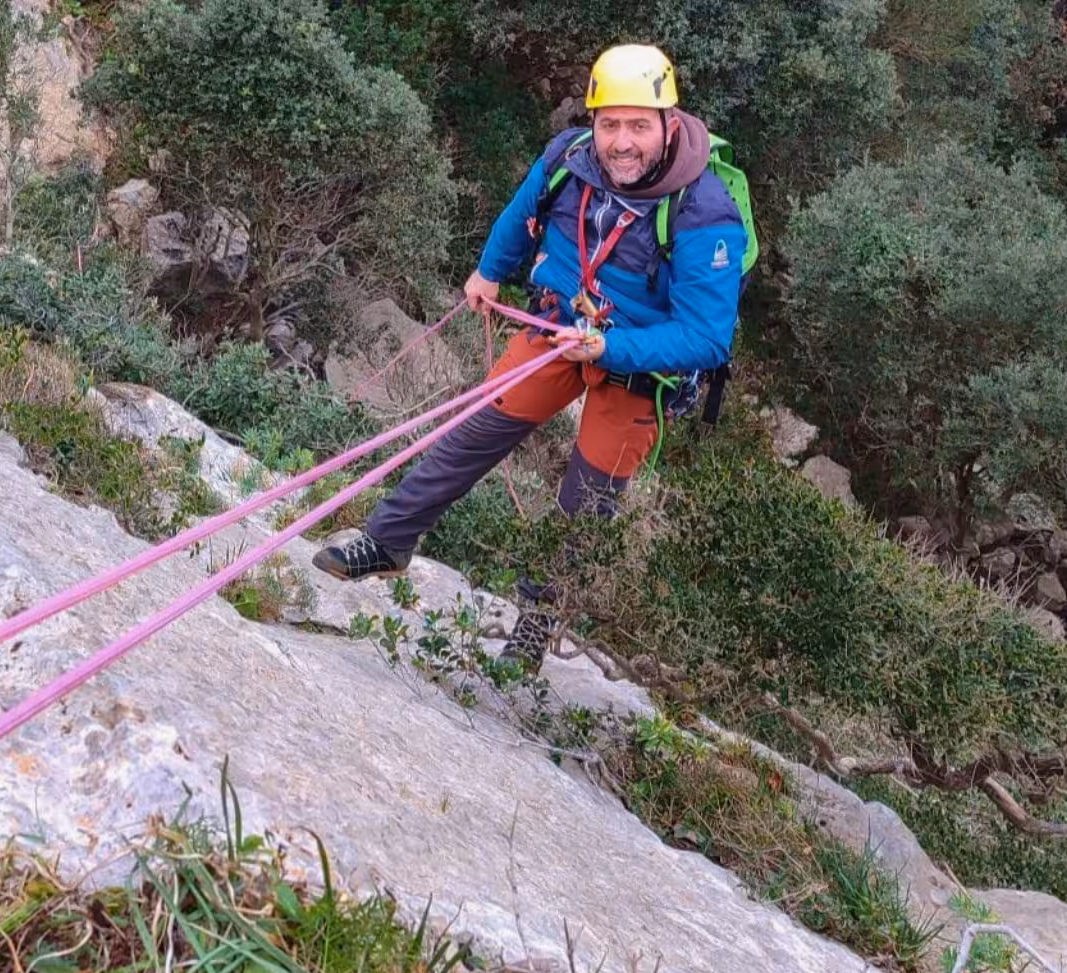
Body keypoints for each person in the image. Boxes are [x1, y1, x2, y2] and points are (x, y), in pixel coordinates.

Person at [313, 43, 749, 672]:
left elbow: (708, 338)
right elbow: (522, 215)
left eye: (637, 126)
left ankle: (537, 620)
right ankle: (387, 542)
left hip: (640, 366)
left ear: (668, 122)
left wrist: (611, 346)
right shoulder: (569, 159)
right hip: (557, 324)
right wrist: (489, 272)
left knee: (587, 498)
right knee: (472, 433)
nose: (622, 142)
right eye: (610, 124)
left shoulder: (705, 212)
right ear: (592, 121)